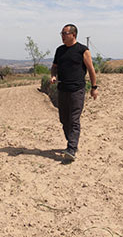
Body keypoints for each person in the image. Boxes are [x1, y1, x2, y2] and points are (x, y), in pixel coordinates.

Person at [50, 24, 98, 161]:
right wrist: (53, 75)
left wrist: (94, 87)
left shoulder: (83, 50)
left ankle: (71, 148)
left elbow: (91, 70)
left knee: (74, 119)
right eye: (62, 33)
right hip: (62, 89)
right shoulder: (59, 50)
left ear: (73, 35)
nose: (62, 36)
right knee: (64, 119)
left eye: (65, 33)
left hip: (77, 90)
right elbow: (54, 67)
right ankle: (71, 143)